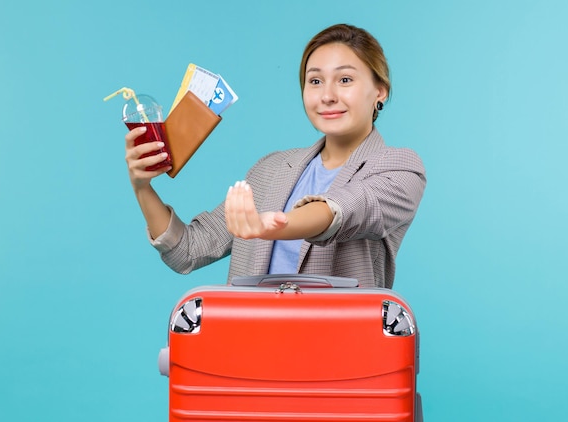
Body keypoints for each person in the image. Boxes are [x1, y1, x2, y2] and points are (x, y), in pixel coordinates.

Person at [125, 23, 426, 288]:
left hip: (337, 349)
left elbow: (346, 208)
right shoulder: (270, 169)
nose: (327, 95)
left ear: (380, 91)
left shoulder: (400, 168)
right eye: (315, 81)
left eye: (345, 80)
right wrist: (142, 188)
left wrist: (273, 224)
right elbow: (188, 250)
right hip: (250, 347)